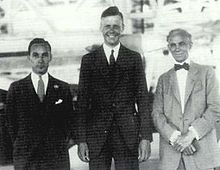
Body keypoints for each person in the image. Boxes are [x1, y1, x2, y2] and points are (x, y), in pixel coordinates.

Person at [76, 6, 153, 170]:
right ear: (100, 28)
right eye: (107, 26)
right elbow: (82, 104)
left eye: (116, 26)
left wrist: (146, 137)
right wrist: (81, 140)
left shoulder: (134, 59)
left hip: (128, 136)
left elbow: (143, 100)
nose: (112, 30)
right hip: (97, 137)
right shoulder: (88, 61)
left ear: (123, 28)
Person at [152, 28, 220, 170]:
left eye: (181, 43)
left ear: (190, 45)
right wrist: (176, 138)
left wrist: (190, 136)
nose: (177, 48)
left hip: (201, 153)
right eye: (172, 45)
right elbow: (157, 114)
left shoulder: (207, 72)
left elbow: (215, 108)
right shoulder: (163, 79)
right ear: (169, 48)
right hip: (172, 157)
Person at [5, 38, 75, 170]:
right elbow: (11, 123)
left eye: (45, 55)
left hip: (56, 157)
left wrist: (58, 143)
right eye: (35, 55)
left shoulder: (63, 88)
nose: (40, 60)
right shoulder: (16, 88)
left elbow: (69, 121)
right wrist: (22, 145)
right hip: (26, 158)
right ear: (29, 58)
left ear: (50, 57)